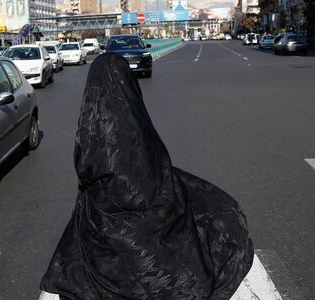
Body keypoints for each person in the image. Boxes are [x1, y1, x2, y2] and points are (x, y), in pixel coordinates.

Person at [40, 53, 254, 299]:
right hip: (145, 201)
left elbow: (85, 169)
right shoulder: (137, 119)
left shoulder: (92, 121)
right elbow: (157, 161)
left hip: (104, 217)